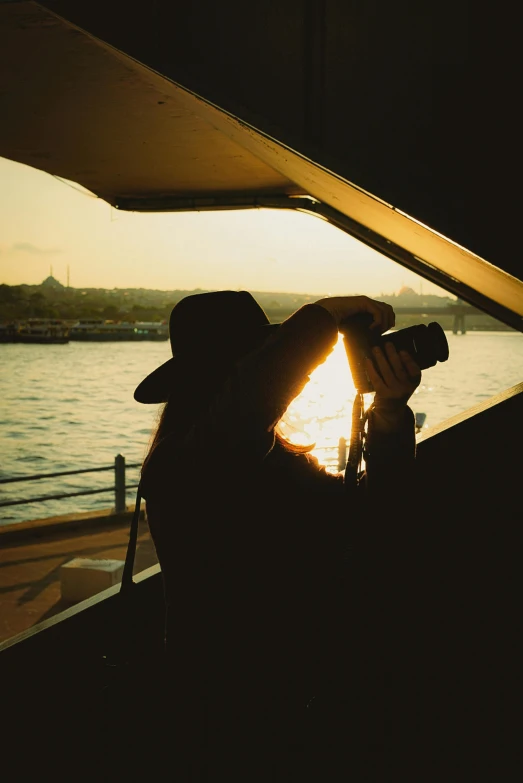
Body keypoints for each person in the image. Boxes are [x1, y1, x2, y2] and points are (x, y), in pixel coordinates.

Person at [134, 290, 422, 782]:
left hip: (301, 702)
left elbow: (372, 516)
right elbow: (243, 409)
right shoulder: (177, 468)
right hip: (224, 719)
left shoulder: (284, 465)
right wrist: (322, 319)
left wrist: (391, 416)